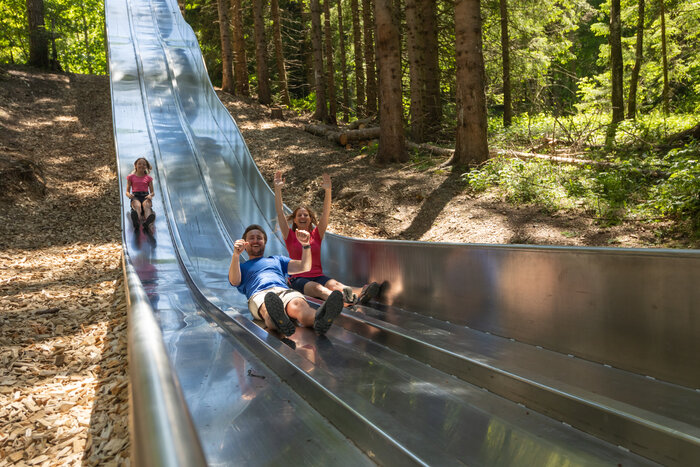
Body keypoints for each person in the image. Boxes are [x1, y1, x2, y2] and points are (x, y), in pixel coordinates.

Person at [274, 171, 381, 305]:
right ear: (294, 220)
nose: (302, 217)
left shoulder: (316, 235)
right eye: (299, 215)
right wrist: (278, 190)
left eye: (306, 215)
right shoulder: (289, 235)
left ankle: (362, 292)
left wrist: (328, 191)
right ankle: (343, 299)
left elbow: (326, 213)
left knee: (335, 284)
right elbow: (280, 212)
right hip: (298, 279)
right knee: (318, 289)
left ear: (310, 219)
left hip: (319, 276)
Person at [228, 224, 344, 336]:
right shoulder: (240, 266)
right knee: (266, 309)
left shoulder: (277, 259)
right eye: (251, 238)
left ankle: (319, 320)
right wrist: (236, 255)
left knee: (299, 305)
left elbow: (305, 266)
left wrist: (306, 245)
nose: (256, 240)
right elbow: (234, 281)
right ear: (245, 243)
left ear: (264, 242)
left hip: (283, 290)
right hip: (259, 294)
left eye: (259, 238)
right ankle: (278, 321)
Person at [125, 157, 156, 233]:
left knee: (147, 206)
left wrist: (150, 195)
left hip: (145, 196)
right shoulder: (131, 177)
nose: (141, 165)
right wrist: (129, 195)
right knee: (137, 205)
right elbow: (127, 191)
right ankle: (137, 221)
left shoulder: (148, 178)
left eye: (144, 164)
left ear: (146, 167)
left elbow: (152, 192)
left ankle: (148, 223)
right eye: (139, 164)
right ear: (135, 165)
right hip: (135, 196)